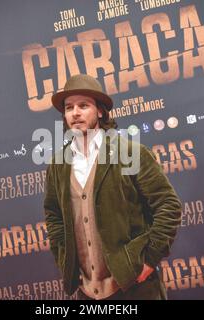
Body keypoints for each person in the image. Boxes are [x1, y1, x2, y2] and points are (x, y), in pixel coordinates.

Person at [43, 74, 182, 300]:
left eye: (83, 105)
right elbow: (54, 216)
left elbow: (169, 206)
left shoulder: (129, 153)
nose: (75, 112)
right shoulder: (58, 164)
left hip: (135, 288)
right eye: (69, 108)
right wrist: (65, 263)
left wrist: (148, 260)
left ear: (100, 111)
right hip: (87, 292)